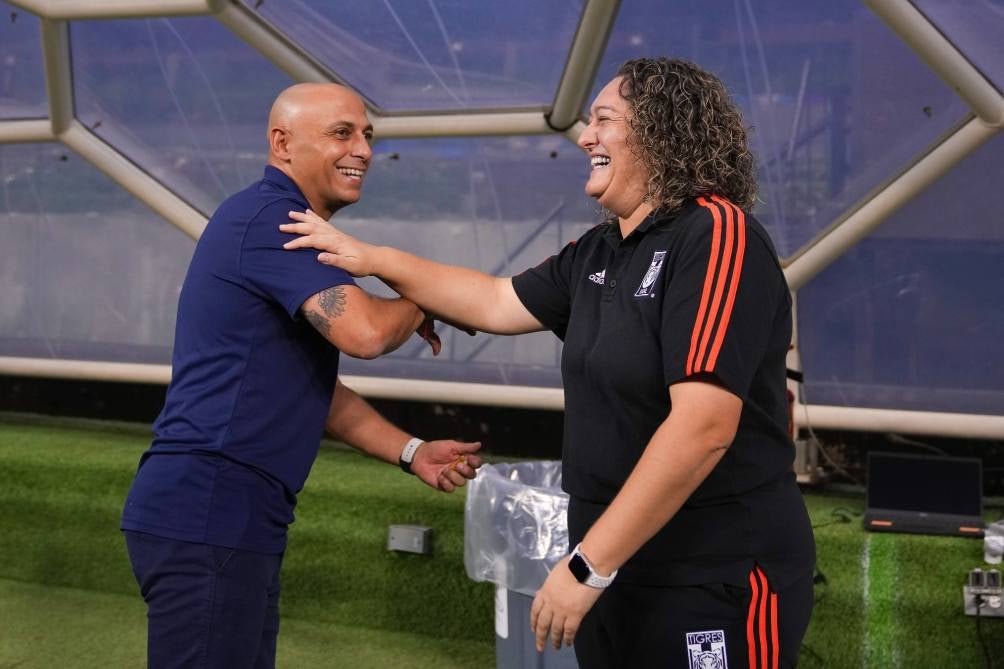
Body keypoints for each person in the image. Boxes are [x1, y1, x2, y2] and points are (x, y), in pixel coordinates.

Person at [281, 58, 816, 668]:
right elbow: (492, 300)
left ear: (662, 133)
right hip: (617, 570)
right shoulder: (600, 248)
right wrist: (370, 256)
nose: (585, 137)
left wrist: (588, 566)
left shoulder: (717, 234)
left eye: (604, 120)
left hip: (711, 574)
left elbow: (703, 428)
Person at [120, 83, 483, 669]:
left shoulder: (280, 224)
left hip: (228, 515)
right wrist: (423, 298)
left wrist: (412, 451)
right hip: (210, 509)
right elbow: (363, 333)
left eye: (367, 134)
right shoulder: (271, 218)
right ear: (281, 144)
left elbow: (314, 390)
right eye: (342, 132)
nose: (362, 149)